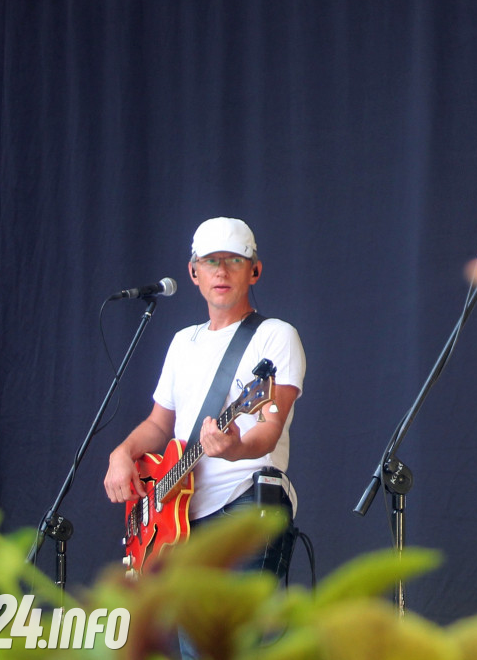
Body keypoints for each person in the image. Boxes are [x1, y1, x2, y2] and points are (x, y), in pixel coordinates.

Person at [103, 217, 305, 656]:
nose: (222, 271)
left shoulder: (276, 336)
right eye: (211, 262)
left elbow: (269, 429)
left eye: (234, 261)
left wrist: (234, 447)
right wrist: (123, 453)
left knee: (233, 646)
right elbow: (159, 425)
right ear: (193, 272)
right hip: (180, 520)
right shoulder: (183, 342)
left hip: (244, 510)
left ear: (255, 270)